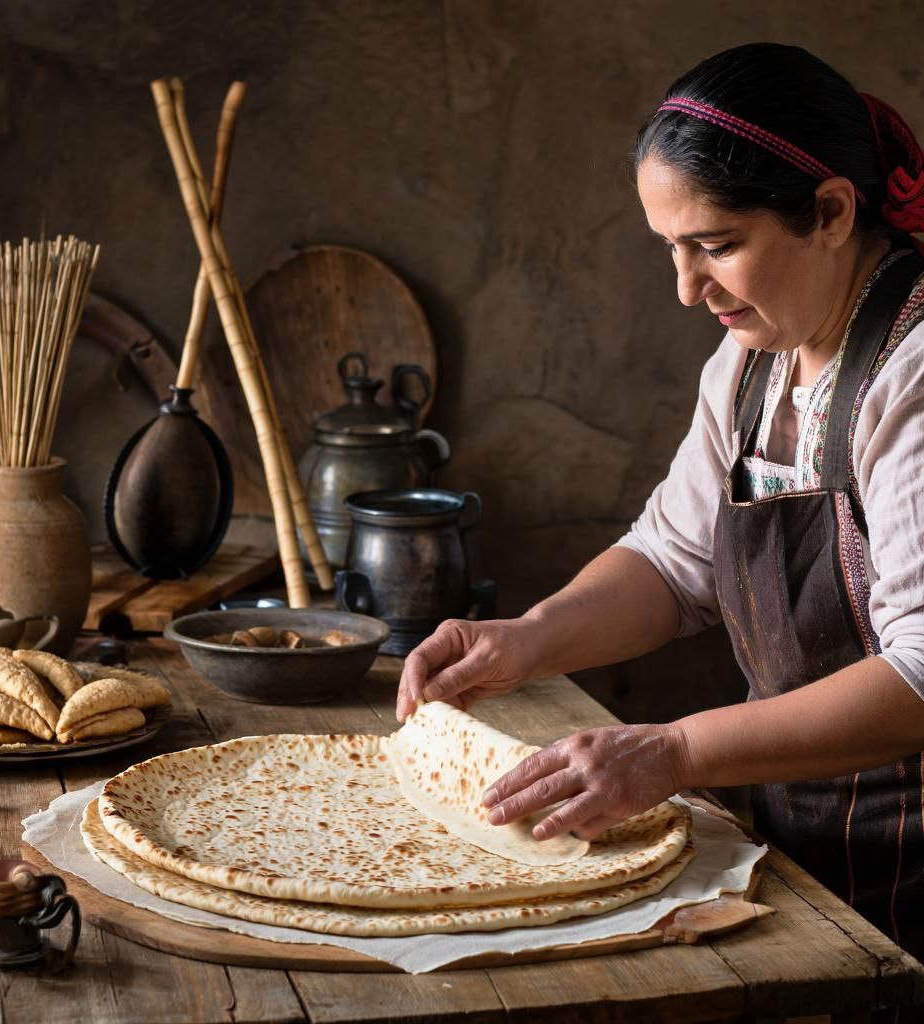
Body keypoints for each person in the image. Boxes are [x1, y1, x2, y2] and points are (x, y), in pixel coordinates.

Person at [395, 42, 924, 963]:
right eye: (671, 250)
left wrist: (674, 753)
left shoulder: (911, 375)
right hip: (811, 851)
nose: (687, 289)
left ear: (832, 211)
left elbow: (920, 674)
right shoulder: (753, 360)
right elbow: (676, 563)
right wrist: (529, 636)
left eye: (717, 247)